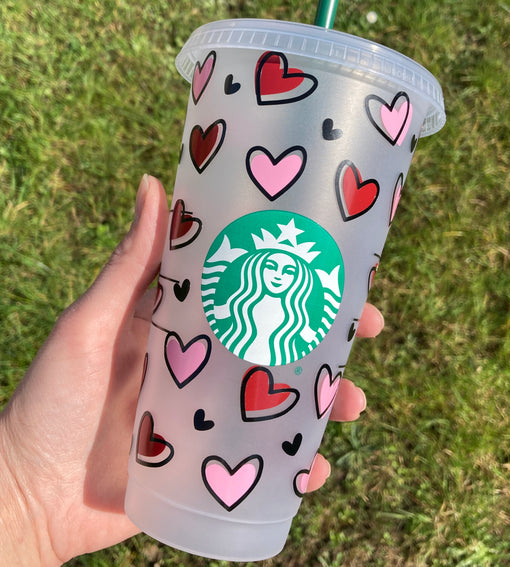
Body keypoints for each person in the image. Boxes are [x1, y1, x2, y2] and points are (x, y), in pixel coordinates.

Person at [0, 175, 385, 566]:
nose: (280, 274)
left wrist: (28, 501)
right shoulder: (236, 309)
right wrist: (24, 489)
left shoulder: (294, 328)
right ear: (254, 267)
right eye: (272, 264)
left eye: (290, 270)